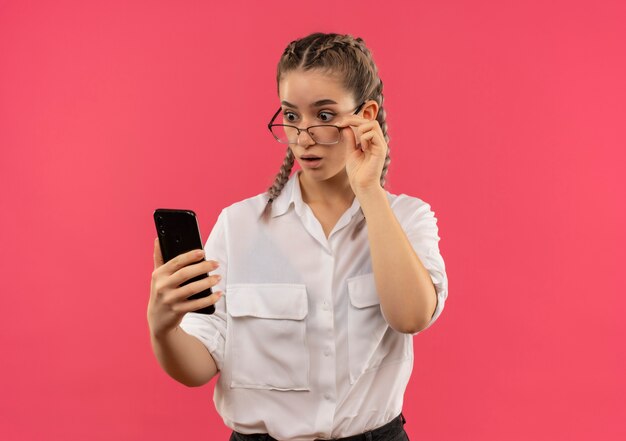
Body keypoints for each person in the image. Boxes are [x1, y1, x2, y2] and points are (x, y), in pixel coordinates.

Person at [148, 32, 448, 441]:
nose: (303, 136)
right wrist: (163, 326)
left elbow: (411, 316)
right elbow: (199, 366)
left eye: (324, 116)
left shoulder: (407, 218)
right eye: (291, 116)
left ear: (367, 116)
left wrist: (370, 190)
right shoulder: (239, 226)